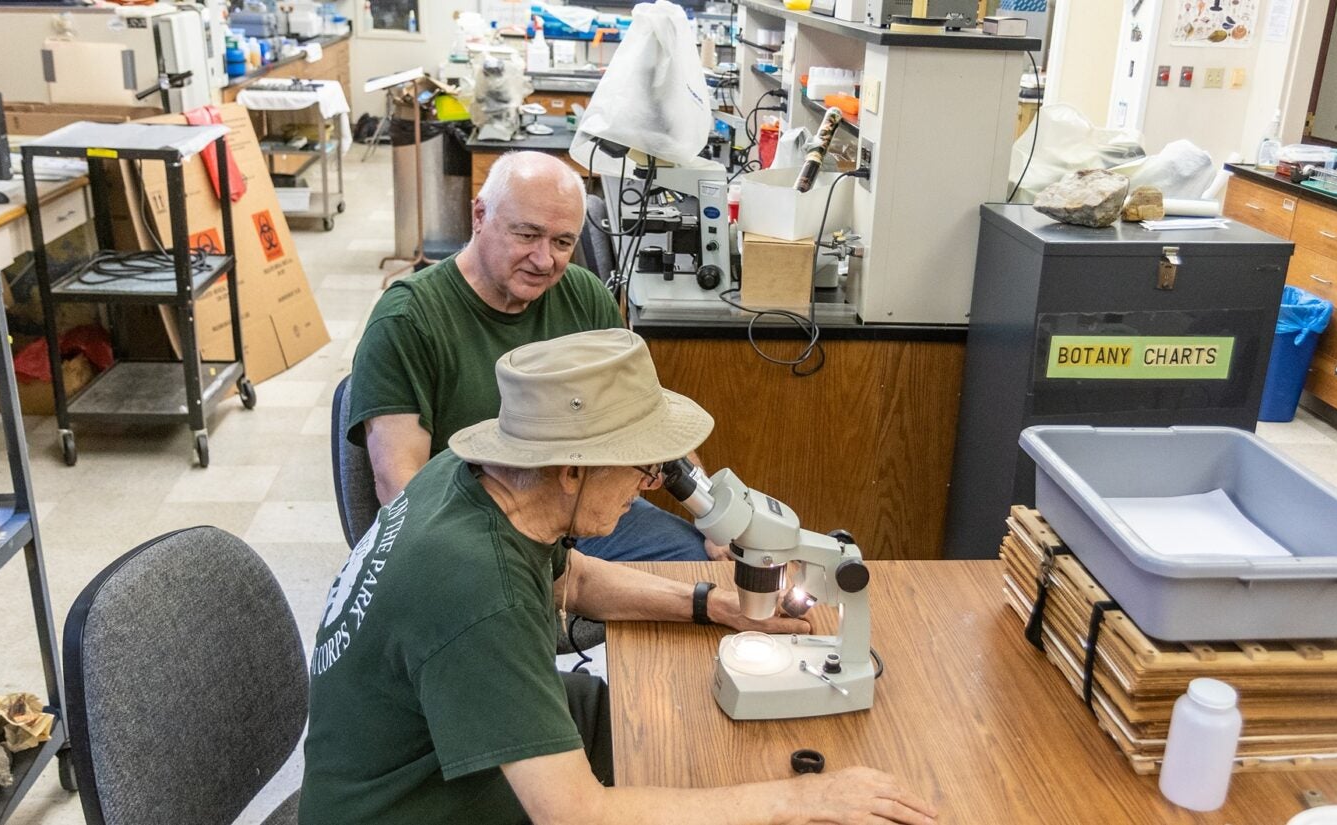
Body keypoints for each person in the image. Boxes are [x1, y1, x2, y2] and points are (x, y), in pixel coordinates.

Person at [301, 329, 937, 825]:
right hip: (414, 809)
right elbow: (579, 814)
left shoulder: (469, 476)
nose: (649, 488)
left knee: (682, 737)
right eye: (641, 470)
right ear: (572, 470)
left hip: (445, 757)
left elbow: (568, 578)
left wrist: (708, 603)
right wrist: (805, 801)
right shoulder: (477, 595)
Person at [348, 151, 715, 562]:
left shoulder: (584, 295)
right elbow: (401, 490)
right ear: (480, 216)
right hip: (478, 527)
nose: (545, 260)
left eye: (562, 242)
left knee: (699, 563)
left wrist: (714, 514)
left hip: (587, 511)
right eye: (526, 235)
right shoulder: (407, 320)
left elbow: (649, 422)